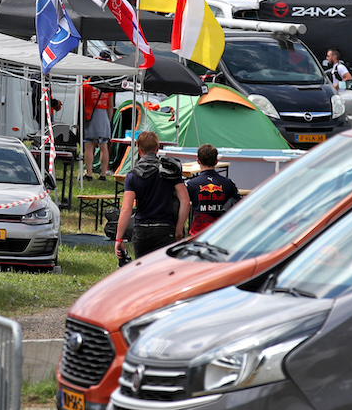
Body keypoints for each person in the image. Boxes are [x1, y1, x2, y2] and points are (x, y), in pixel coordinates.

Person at [115, 131, 189, 259]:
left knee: (144, 273)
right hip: (165, 228)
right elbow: (185, 201)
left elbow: (126, 209)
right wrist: (179, 229)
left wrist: (119, 239)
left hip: (142, 229)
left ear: (138, 150)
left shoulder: (132, 175)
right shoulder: (170, 170)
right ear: (158, 148)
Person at [184, 144, 241, 238]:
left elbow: (183, 203)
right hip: (221, 234)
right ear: (216, 161)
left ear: (198, 161)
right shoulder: (228, 183)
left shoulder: (191, 184)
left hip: (198, 235)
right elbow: (239, 204)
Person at [81, 55, 115, 180]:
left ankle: (89, 173)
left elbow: (82, 104)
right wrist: (108, 120)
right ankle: (103, 174)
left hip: (90, 116)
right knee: (104, 146)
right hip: (103, 116)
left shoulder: (86, 85)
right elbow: (110, 106)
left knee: (88, 145)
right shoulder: (108, 86)